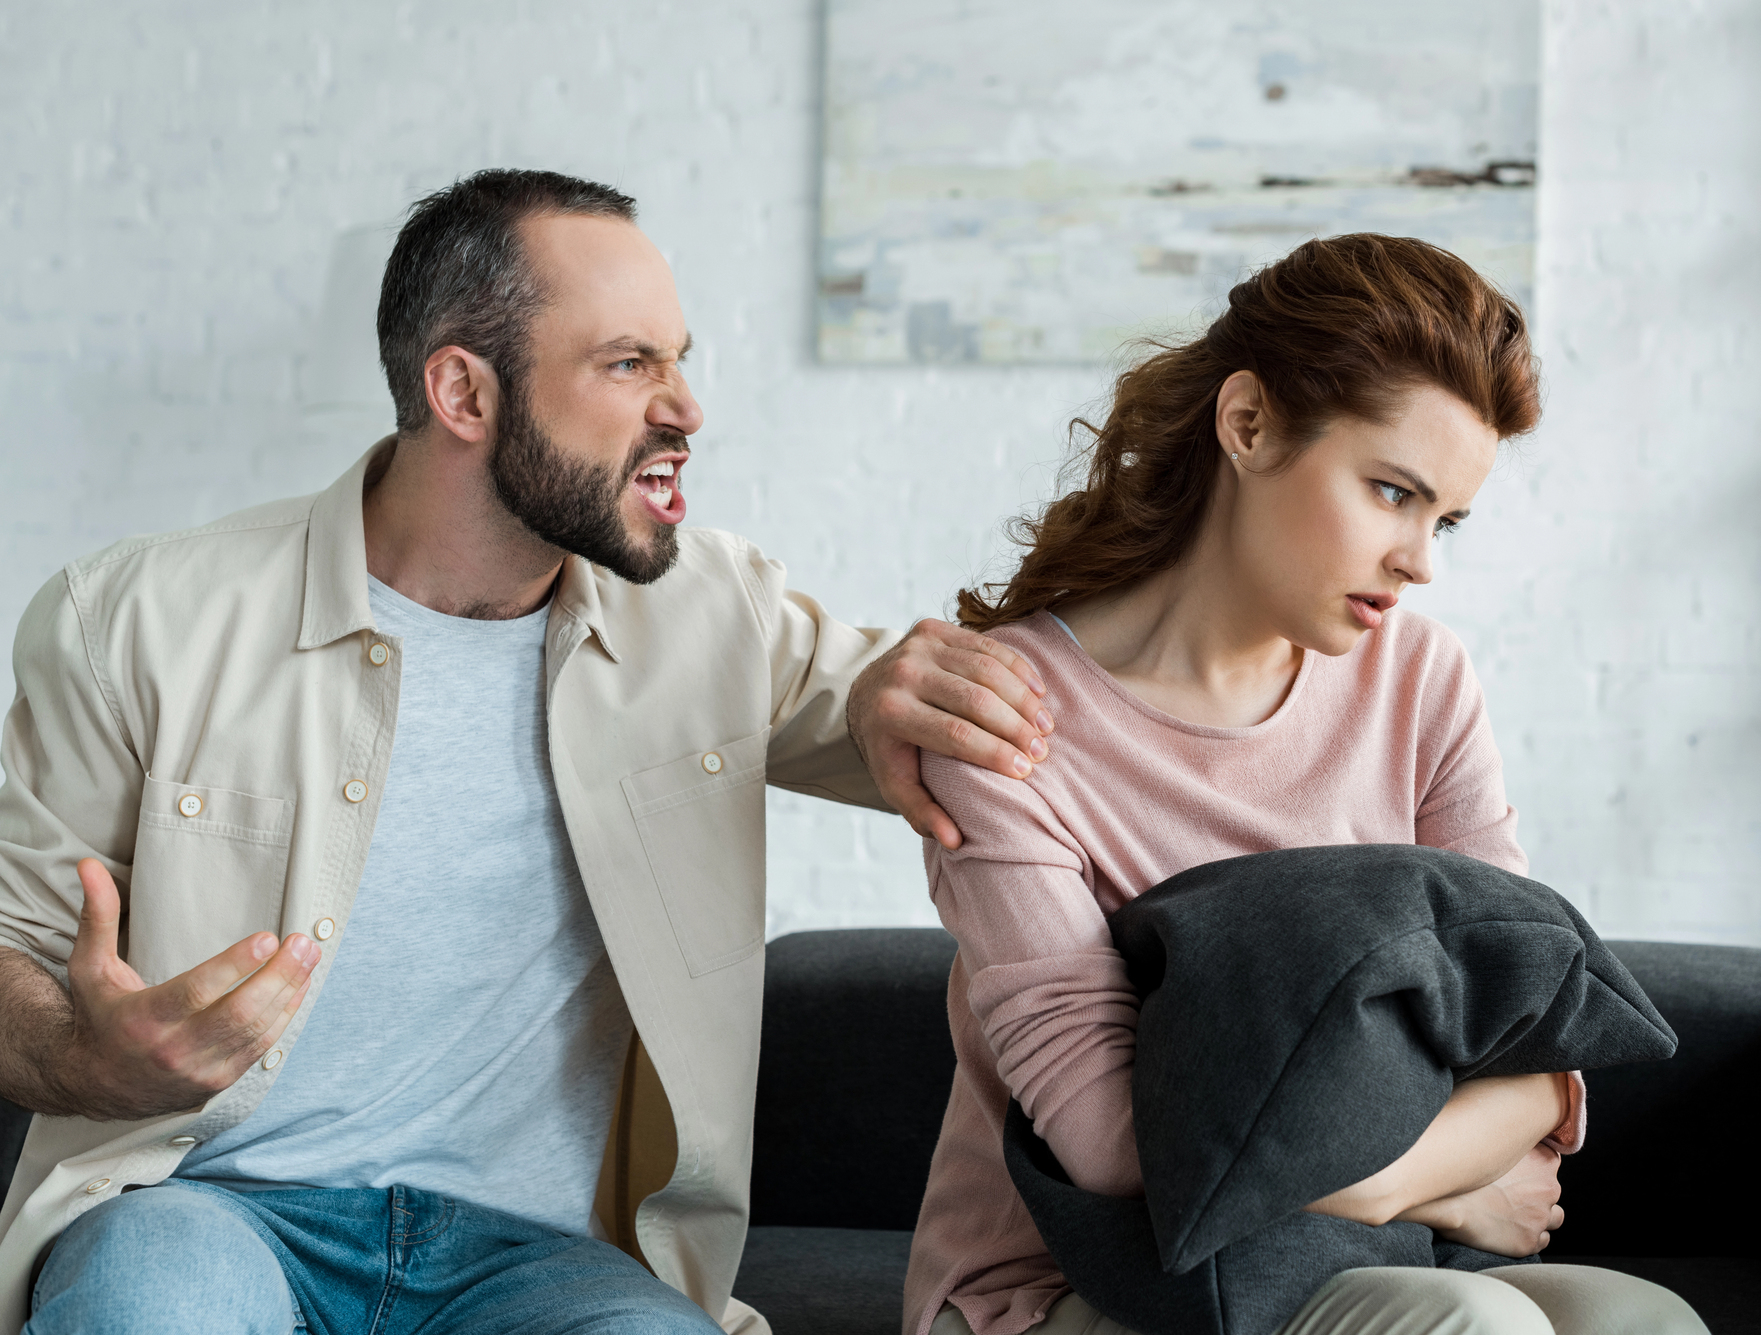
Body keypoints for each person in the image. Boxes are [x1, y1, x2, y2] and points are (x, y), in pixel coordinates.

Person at [0, 169, 1058, 1335]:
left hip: (540, 1261)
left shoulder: (719, 617)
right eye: (627, 364)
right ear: (463, 391)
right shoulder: (136, 620)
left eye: (678, 357)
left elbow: (938, 722)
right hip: (207, 1211)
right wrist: (95, 1060)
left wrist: (905, 691)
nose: (686, 408)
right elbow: (14, 953)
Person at [904, 235, 1709, 1335]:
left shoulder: (1417, 678)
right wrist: (1437, 1185)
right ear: (1248, 425)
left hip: (1356, 1261)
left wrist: (1387, 1191)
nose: (1419, 558)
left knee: (1636, 1322)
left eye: (1445, 520)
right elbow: (1104, 1137)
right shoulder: (1004, 719)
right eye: (1390, 491)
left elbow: (1534, 1048)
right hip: (1078, 1289)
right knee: (1480, 1327)